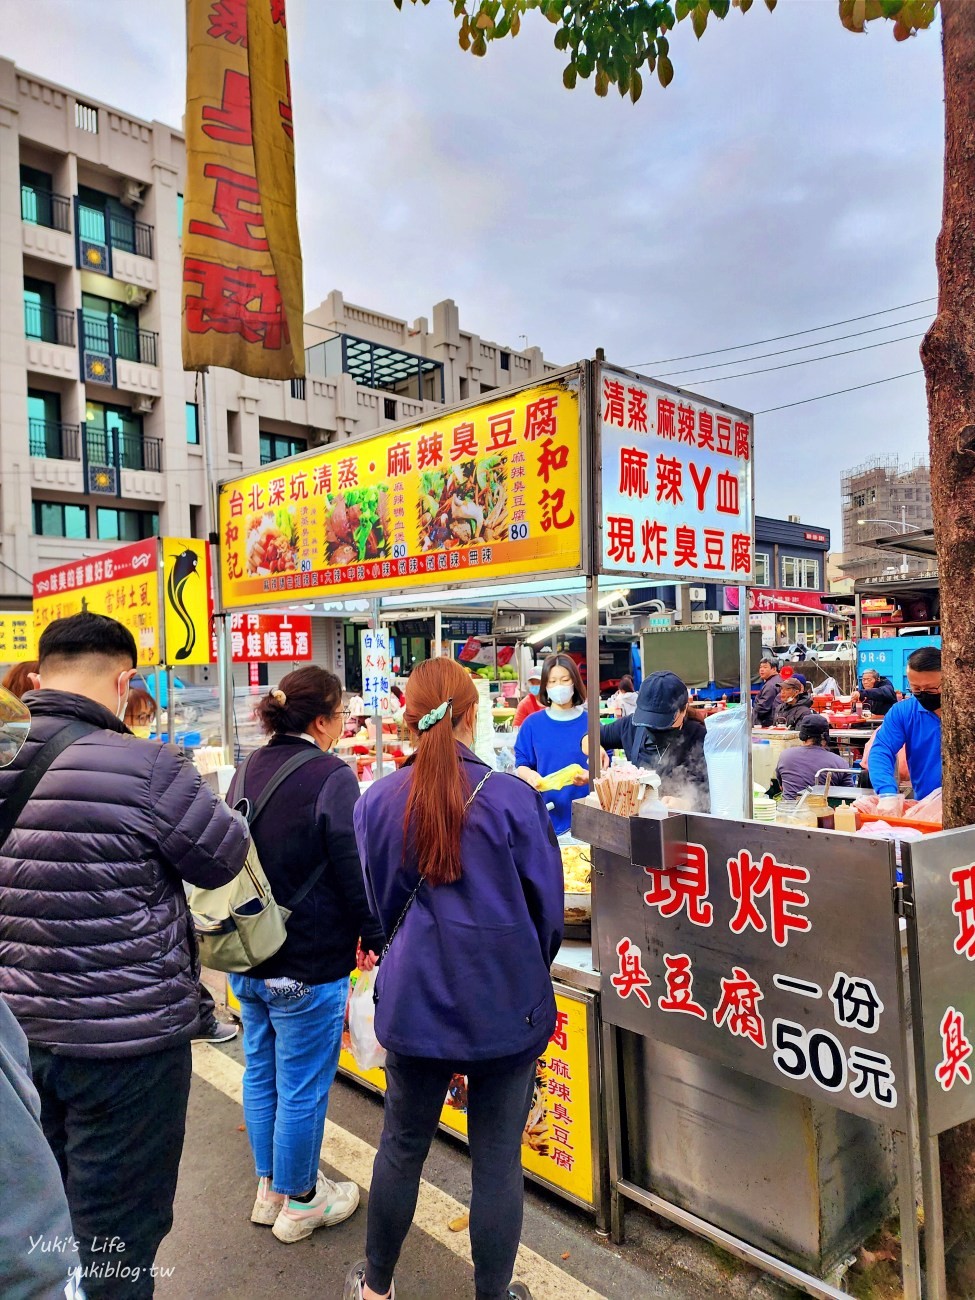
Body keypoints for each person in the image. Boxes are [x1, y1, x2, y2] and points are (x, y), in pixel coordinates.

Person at [0, 613, 249, 1299]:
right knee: (118, 1235)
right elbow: (222, 854)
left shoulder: (0, 751)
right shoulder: (145, 764)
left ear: (40, 674)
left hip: (16, 1040)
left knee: (38, 1223)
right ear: (124, 679)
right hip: (128, 1048)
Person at [347, 658, 563, 1300]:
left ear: (409, 719)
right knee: (497, 1160)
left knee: (402, 1144)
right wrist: (521, 964)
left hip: (415, 1004)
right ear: (472, 714)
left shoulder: (377, 801)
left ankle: (376, 1288)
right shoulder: (511, 798)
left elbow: (375, 905)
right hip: (505, 1005)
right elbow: (547, 914)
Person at [226, 666, 384, 1244]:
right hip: (308, 960)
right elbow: (351, 866)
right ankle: (302, 1201)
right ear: (321, 720)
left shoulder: (245, 767)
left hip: (248, 952)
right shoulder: (331, 775)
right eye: (342, 715)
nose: (344, 725)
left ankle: (270, 1189)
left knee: (262, 1070)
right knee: (301, 1083)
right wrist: (373, 932)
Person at [122, 689, 240, 1046]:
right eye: (137, 718)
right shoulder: (154, 766)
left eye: (147, 718)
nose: (143, 725)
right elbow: (216, 857)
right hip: (144, 981)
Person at [595, 671, 710, 810]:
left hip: (684, 826)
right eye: (650, 721)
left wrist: (687, 804)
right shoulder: (630, 727)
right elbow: (589, 737)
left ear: (684, 709)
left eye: (663, 721)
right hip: (640, 823)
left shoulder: (701, 737)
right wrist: (597, 749)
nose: (655, 727)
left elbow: (714, 794)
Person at [514, 654, 589, 834]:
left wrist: (590, 774)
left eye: (564, 680)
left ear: (575, 683)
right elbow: (521, 764)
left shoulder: (591, 722)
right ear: (545, 686)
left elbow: (605, 765)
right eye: (552, 681)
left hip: (588, 819)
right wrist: (530, 775)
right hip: (547, 818)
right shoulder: (532, 724)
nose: (559, 687)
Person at [868, 646, 942, 812]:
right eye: (916, 689)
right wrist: (887, 793)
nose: (923, 694)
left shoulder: (967, 711)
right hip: (926, 806)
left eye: (931, 689)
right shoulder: (904, 711)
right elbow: (882, 750)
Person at [769, 713, 854, 800]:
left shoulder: (785, 756)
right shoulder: (840, 763)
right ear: (826, 737)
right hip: (824, 812)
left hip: (789, 811)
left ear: (802, 735)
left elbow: (781, 787)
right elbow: (848, 796)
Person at [752, 659, 783, 727]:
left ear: (774, 669)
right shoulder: (776, 680)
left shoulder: (771, 685)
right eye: (760, 667)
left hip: (767, 722)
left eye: (765, 667)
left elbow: (763, 706)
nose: (761, 670)